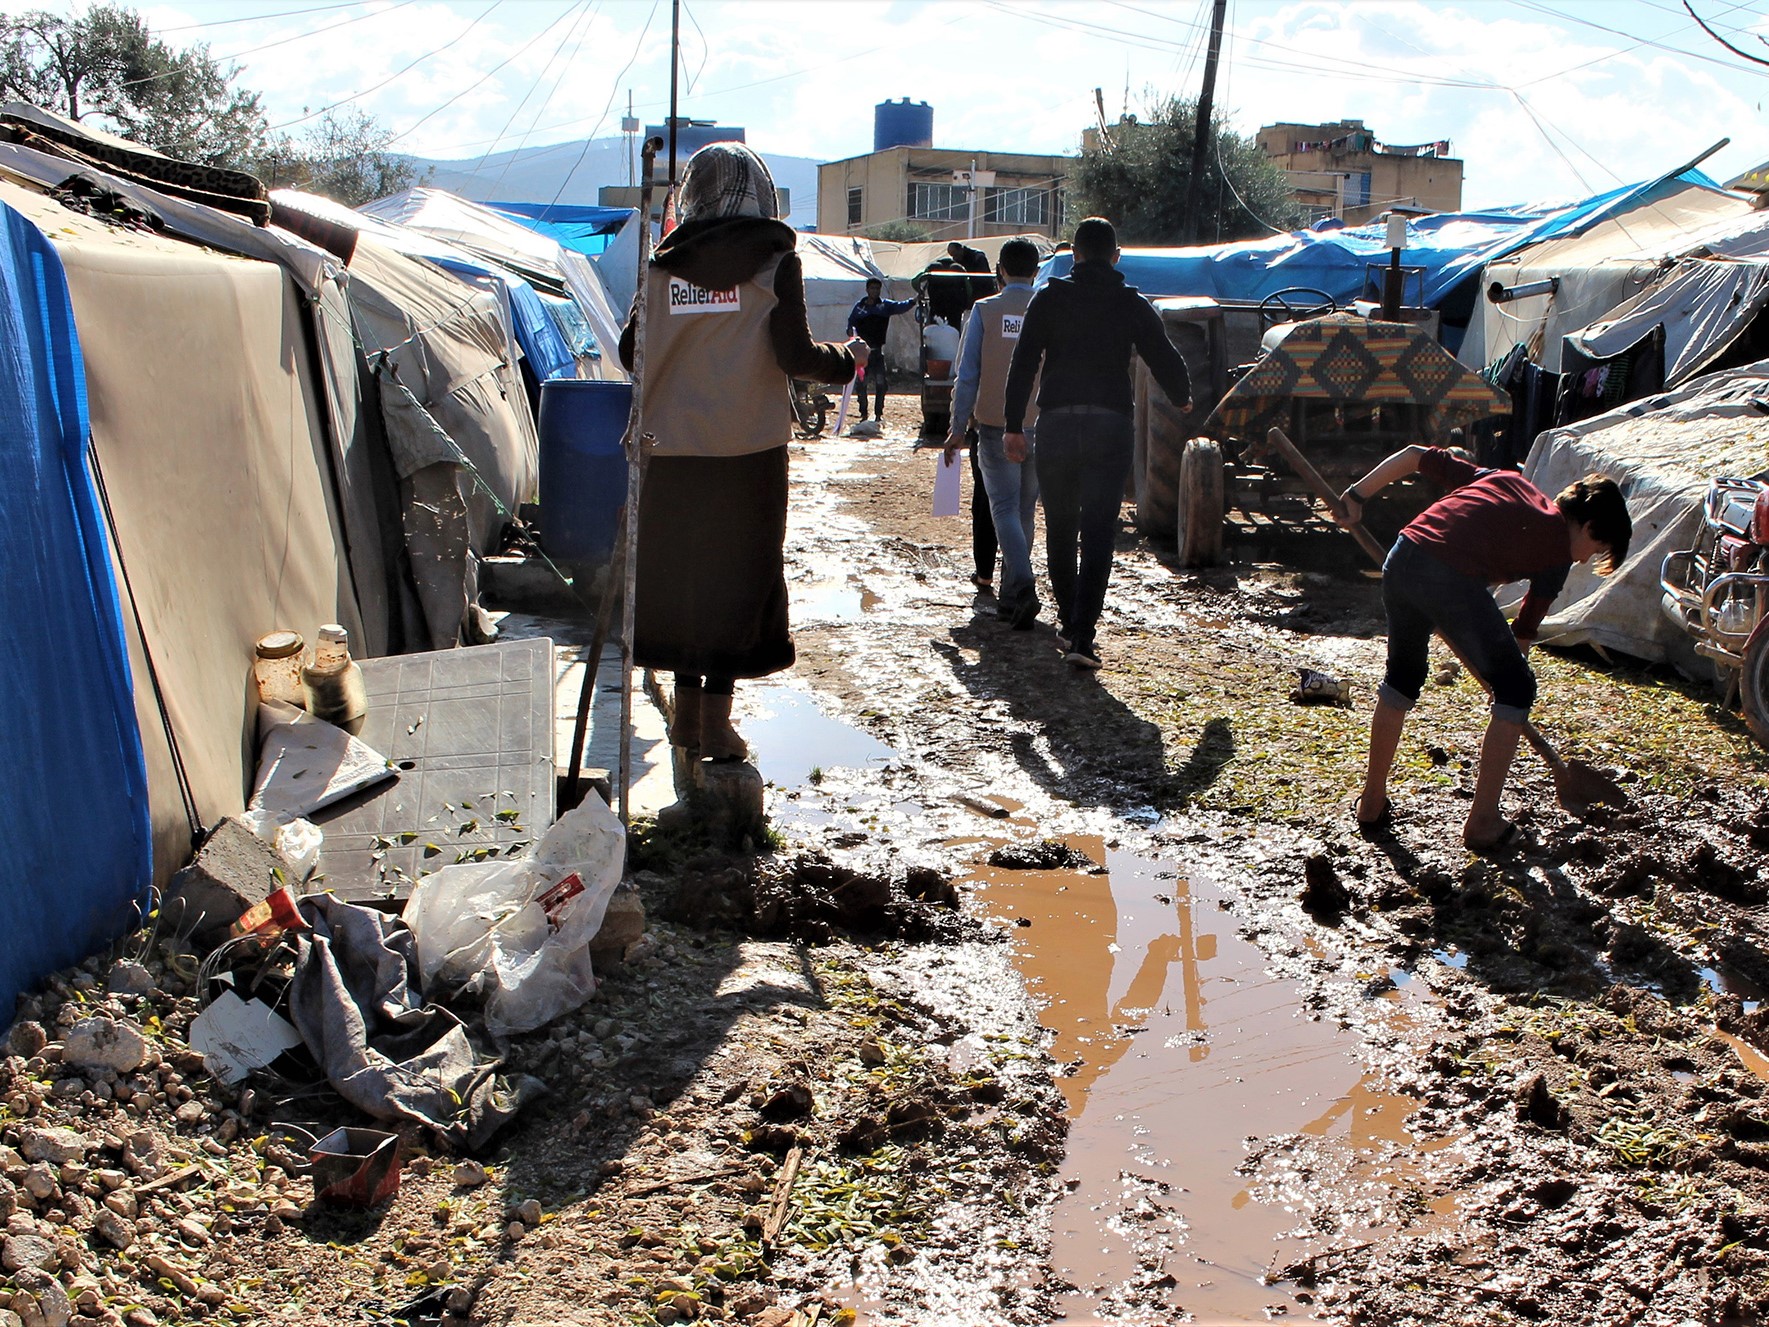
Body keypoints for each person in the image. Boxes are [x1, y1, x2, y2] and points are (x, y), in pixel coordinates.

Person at [618, 143, 863, 761]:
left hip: (670, 451)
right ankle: (716, 727)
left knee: (681, 583)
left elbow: (630, 353)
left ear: (692, 193)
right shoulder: (775, 262)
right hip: (747, 453)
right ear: (761, 192)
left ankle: (684, 722)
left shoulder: (659, 267)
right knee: (734, 584)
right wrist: (849, 359)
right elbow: (797, 357)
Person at [1337, 445, 1632, 850]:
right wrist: (1508, 688)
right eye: (1595, 551)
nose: (1585, 561)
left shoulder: (1506, 480)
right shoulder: (1557, 555)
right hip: (1448, 577)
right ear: (1591, 528)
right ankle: (1484, 821)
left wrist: (1355, 496)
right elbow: (1524, 632)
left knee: (1402, 680)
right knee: (1518, 689)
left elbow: (1413, 455)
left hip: (1403, 557)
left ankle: (1371, 801)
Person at [1003, 216, 1193, 670]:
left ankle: (1069, 623)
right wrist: (1182, 396)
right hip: (1110, 426)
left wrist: (1013, 424)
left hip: (1057, 426)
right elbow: (1162, 353)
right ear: (1116, 256)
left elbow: (1024, 360)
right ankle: (1083, 636)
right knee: (1100, 531)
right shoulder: (1131, 302)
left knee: (1063, 527)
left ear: (1073, 255)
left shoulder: (1049, 298)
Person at [946, 238, 1044, 627]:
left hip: (995, 426)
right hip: (1040, 425)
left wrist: (956, 427)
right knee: (1024, 510)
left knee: (1001, 507)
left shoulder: (984, 312)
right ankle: (1008, 597)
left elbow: (967, 375)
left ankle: (1022, 587)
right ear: (1036, 271)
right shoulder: (1048, 308)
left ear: (1000, 270)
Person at [844, 277, 913, 427]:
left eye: (877, 288)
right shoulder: (860, 307)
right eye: (872, 288)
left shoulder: (884, 306)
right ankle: (863, 412)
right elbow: (851, 323)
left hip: (877, 352)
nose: (874, 291)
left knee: (881, 383)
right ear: (867, 290)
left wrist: (914, 300)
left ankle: (878, 413)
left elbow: (901, 306)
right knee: (861, 384)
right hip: (863, 354)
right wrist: (850, 331)